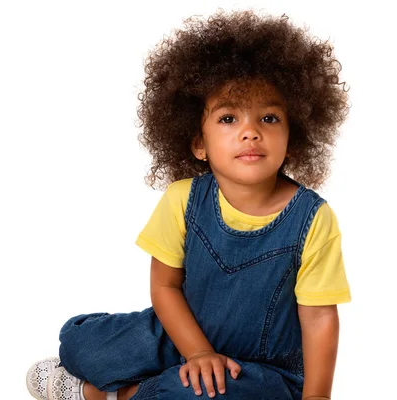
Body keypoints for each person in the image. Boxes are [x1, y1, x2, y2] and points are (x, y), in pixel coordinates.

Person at [27, 8, 351, 400]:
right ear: (198, 142)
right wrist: (197, 351)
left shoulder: (312, 218)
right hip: (180, 333)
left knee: (207, 391)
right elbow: (164, 286)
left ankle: (110, 394)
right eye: (229, 118)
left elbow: (319, 319)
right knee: (84, 346)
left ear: (293, 135)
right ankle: (143, 377)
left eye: (268, 118)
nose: (250, 132)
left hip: (254, 371)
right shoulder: (184, 199)